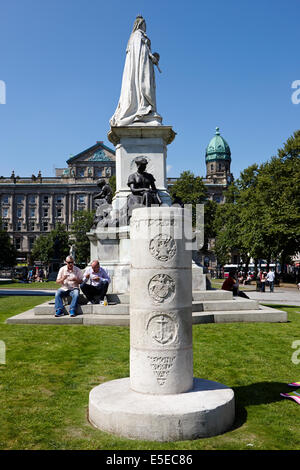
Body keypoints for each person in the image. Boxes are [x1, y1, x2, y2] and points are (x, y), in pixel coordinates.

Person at [110, 15, 162, 126]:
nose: (145, 27)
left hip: (144, 65)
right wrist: (151, 57)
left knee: (144, 87)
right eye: (144, 25)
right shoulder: (137, 36)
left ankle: (144, 107)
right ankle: (142, 107)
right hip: (141, 68)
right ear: (140, 25)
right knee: (142, 86)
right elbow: (141, 53)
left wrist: (151, 57)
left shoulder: (137, 37)